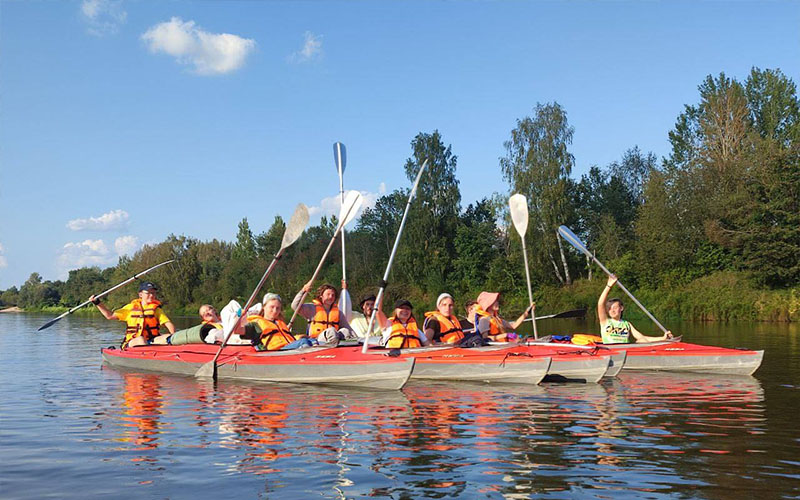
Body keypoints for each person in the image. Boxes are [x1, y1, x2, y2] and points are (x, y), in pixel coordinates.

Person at [91, 281, 175, 348]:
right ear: (140, 294)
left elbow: (168, 323)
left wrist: (173, 336)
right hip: (133, 342)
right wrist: (98, 303)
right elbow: (109, 315)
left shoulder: (156, 310)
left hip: (151, 340)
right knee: (141, 340)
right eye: (148, 293)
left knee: (168, 338)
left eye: (153, 293)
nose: (151, 295)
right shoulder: (130, 308)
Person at [598, 275, 673, 343]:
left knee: (641, 340)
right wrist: (609, 286)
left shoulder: (627, 324)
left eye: (614, 307)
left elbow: (642, 337)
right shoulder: (605, 321)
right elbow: (600, 304)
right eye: (610, 308)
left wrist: (663, 338)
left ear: (621, 308)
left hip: (625, 350)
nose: (612, 310)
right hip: (610, 350)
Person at [241, 293, 313, 351]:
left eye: (277, 308)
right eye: (272, 307)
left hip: (288, 348)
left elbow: (284, 338)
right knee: (304, 342)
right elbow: (237, 331)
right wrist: (239, 315)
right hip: (275, 352)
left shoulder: (279, 323)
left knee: (313, 340)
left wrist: (298, 337)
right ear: (264, 307)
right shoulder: (256, 324)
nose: (275, 311)